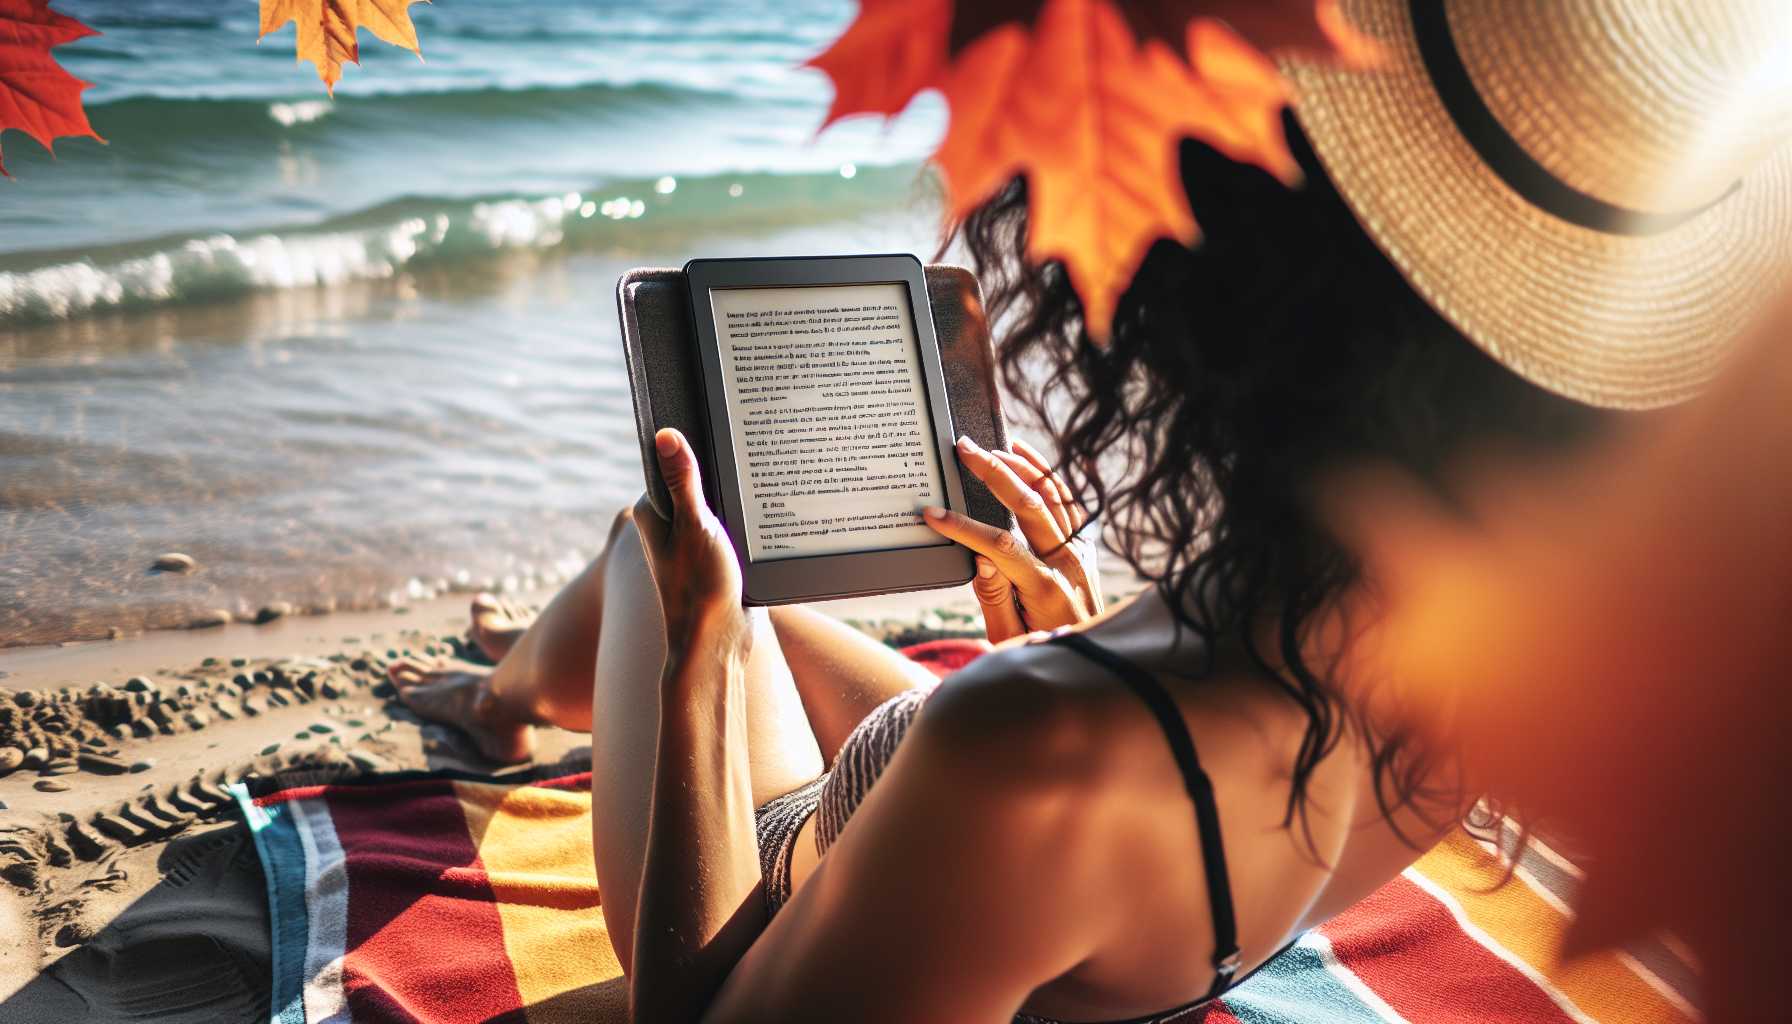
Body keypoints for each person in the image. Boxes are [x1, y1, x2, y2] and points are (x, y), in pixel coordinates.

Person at [387, 2, 1792, 1020]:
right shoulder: (1505, 669)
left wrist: (698, 664)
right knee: (751, 587)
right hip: (1089, 875)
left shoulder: (1024, 756)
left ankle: (498, 703)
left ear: (1219, 288)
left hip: (801, 868)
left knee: (668, 556)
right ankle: (505, 690)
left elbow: (692, 1012)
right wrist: (1088, 627)